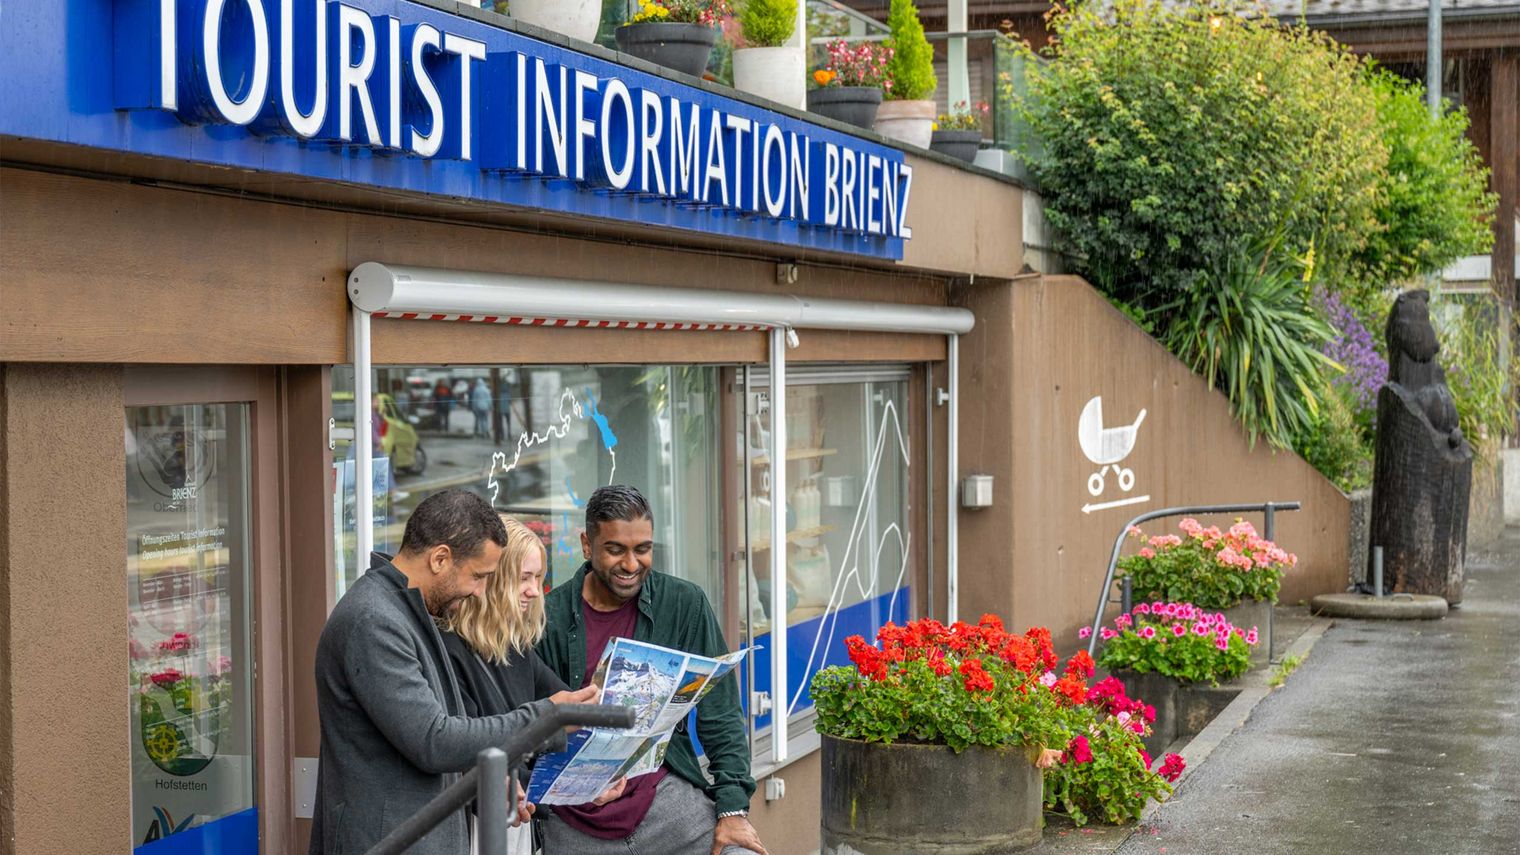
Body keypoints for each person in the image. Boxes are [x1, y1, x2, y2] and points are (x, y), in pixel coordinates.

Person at [310, 489, 597, 855]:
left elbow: (431, 736)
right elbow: (434, 740)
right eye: (478, 576)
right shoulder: (374, 621)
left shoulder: (411, 611)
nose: (480, 591)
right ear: (440, 558)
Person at [536, 485, 768, 855]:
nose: (631, 564)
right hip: (575, 820)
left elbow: (720, 716)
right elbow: (529, 728)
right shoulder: (548, 618)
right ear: (586, 544)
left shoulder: (683, 603)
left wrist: (733, 807)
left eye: (643, 549)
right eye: (615, 550)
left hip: (665, 801)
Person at [442, 515, 625, 854]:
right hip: (474, 830)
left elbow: (572, 712)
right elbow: (464, 756)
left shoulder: (517, 646)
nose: (533, 590)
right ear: (491, 579)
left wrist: (593, 774)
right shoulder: (452, 650)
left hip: (516, 822)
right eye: (523, 577)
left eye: (538, 577)